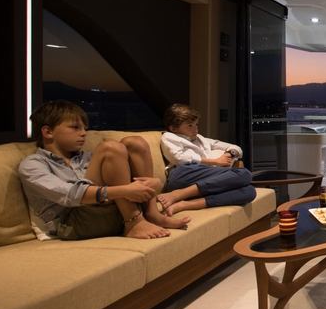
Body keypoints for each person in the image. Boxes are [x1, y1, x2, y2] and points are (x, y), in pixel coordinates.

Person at [18, 100, 190, 240]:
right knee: (110, 149)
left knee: (134, 143)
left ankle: (152, 214)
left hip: (110, 211)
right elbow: (69, 195)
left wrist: (153, 183)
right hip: (73, 222)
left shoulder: (84, 158)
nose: (84, 133)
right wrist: (125, 190)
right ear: (48, 132)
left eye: (85, 128)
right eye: (75, 127)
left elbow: (120, 178)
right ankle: (134, 223)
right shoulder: (33, 164)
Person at [156, 104, 256, 216]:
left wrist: (229, 154)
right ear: (173, 128)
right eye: (190, 126)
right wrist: (215, 161)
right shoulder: (169, 136)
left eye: (196, 124)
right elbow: (179, 159)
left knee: (249, 191)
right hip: (183, 173)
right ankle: (178, 194)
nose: (195, 129)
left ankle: (186, 204)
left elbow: (236, 148)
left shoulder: (200, 139)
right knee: (244, 174)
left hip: (201, 177)